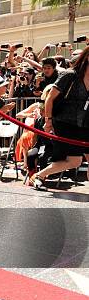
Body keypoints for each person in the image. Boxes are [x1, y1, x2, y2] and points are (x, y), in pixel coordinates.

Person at [31, 46, 89, 191]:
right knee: (74, 161)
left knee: (74, 161)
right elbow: (50, 98)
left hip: (85, 124)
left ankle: (39, 175)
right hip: (65, 123)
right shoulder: (70, 75)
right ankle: (38, 176)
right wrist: (48, 121)